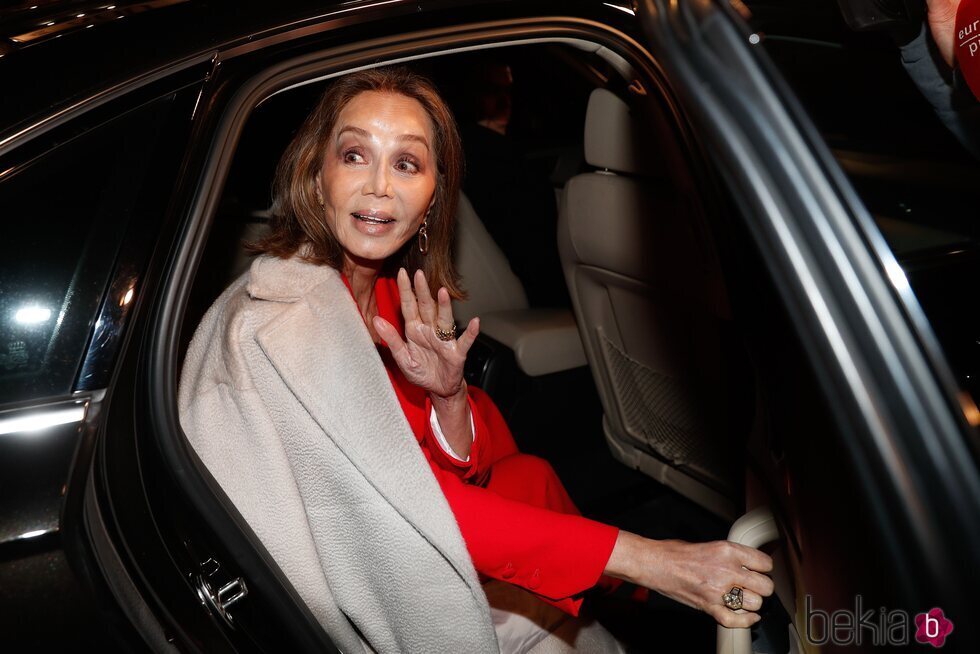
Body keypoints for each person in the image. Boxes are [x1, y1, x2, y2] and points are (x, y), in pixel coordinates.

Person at [179, 66, 773, 653]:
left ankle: (611, 593)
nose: (379, 185)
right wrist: (656, 560)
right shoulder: (298, 327)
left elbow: (441, 469)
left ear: (434, 197)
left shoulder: (383, 291)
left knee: (532, 476)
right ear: (316, 176)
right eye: (356, 155)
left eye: (406, 163)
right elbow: (418, 508)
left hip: (407, 537)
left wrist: (448, 395)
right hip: (352, 589)